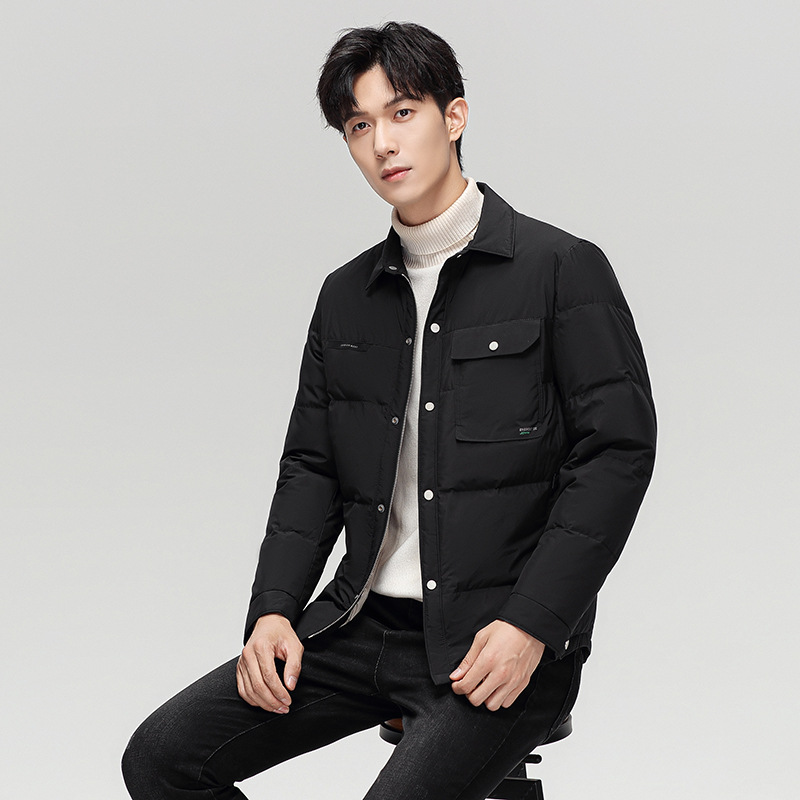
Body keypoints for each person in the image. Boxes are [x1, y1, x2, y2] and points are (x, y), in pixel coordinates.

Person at [122, 20, 657, 800]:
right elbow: (311, 467)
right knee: (160, 758)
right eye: (358, 126)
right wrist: (273, 611)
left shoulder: (560, 269)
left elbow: (615, 455)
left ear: (454, 116)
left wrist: (534, 623)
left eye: (402, 112)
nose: (382, 144)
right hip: (359, 625)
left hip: (494, 638)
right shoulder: (347, 297)